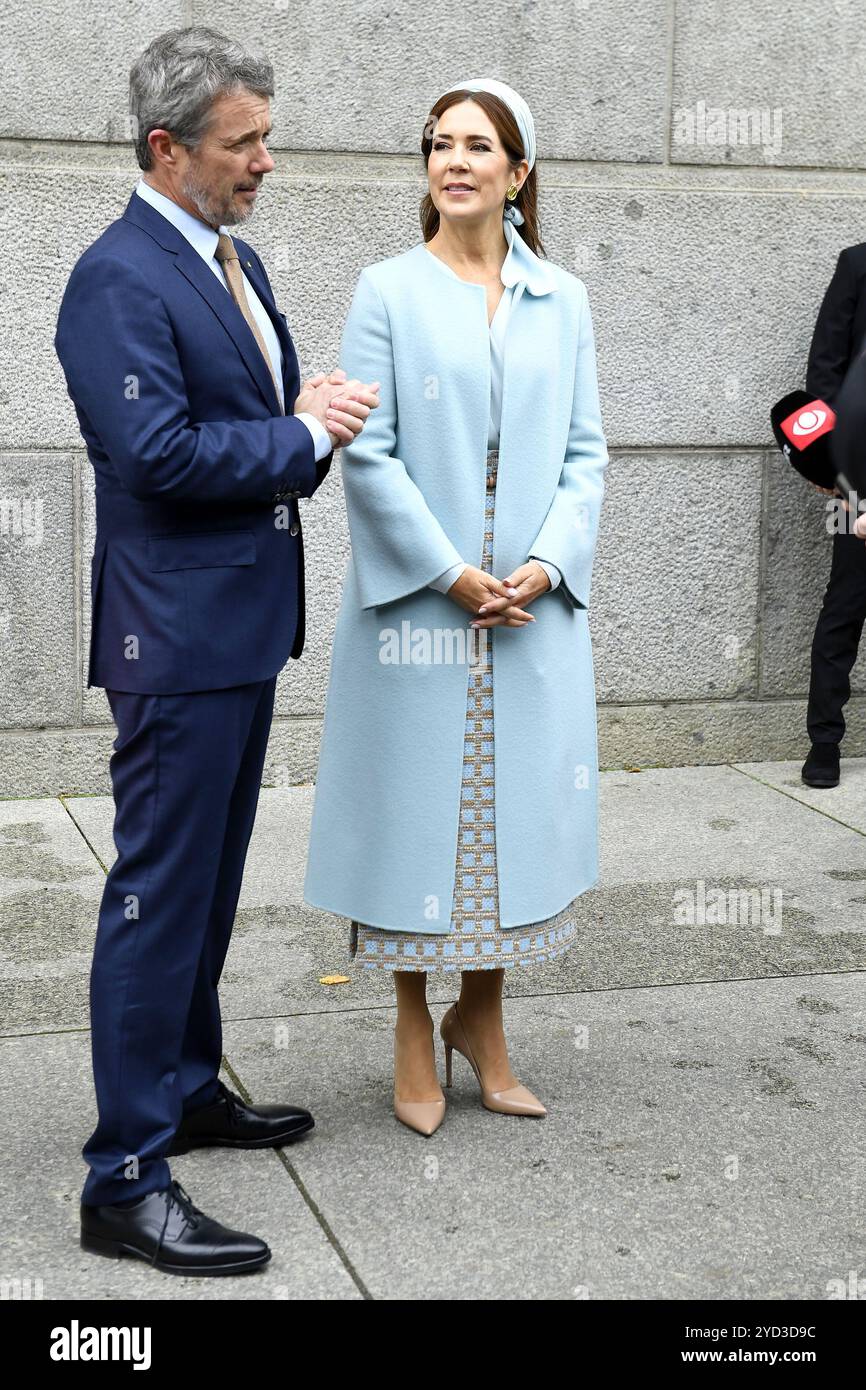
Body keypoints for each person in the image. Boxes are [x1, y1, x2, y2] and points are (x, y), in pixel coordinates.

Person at [53, 25, 379, 1275]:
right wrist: (302, 437)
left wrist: (308, 418)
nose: (266, 161)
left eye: (264, 137)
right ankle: (123, 1177)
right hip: (175, 640)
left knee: (202, 890)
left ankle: (186, 1089)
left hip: (235, 631)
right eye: (243, 142)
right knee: (154, 897)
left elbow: (249, 415)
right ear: (165, 147)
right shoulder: (118, 276)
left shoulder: (222, 255)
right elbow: (158, 457)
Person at [304, 78, 607, 1136]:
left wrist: (542, 562)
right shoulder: (386, 288)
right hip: (419, 605)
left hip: (526, 607)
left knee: (505, 820)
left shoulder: (560, 298)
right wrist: (446, 572)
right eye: (440, 143)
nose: (456, 160)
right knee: (410, 818)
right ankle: (406, 1022)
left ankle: (482, 1018)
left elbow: (583, 454)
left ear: (518, 175)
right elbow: (367, 453)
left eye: (479, 146)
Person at [802, 243, 866, 788]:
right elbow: (825, 369)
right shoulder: (858, 263)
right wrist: (839, 478)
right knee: (846, 602)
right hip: (860, 477)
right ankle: (824, 742)